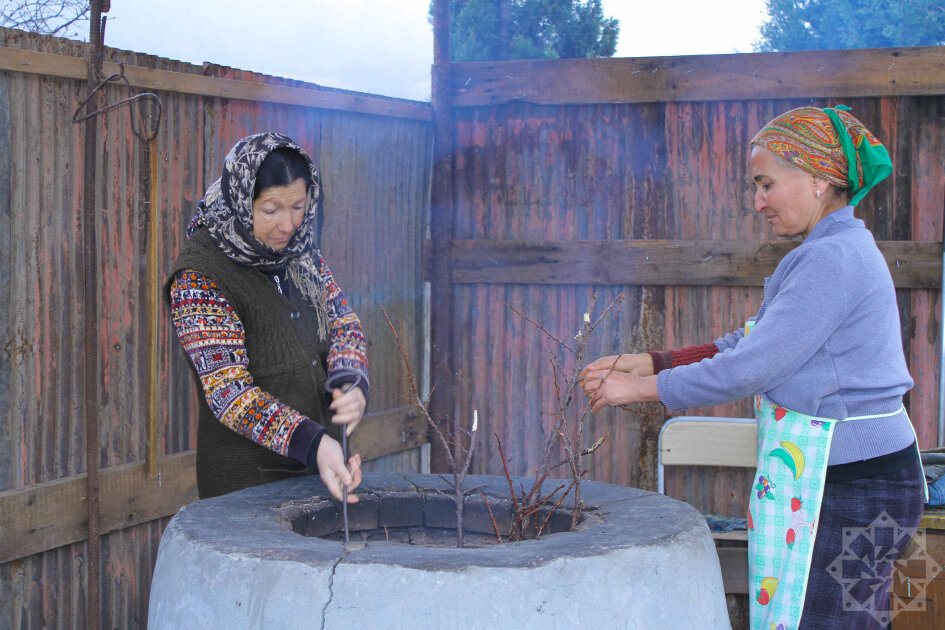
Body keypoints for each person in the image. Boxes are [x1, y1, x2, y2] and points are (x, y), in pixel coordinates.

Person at [581, 106, 927, 630]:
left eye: (765, 184)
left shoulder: (831, 259)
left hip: (853, 488)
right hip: (857, 481)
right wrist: (656, 360)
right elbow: (748, 342)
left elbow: (752, 366)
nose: (757, 201)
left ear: (817, 178)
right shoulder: (829, 250)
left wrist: (641, 388)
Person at [166, 132, 367, 502]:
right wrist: (314, 443)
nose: (288, 225)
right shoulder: (199, 277)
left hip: (320, 471)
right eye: (271, 210)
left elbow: (343, 323)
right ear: (242, 201)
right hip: (247, 491)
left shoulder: (300, 252)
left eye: (298, 207)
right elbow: (230, 393)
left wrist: (350, 381)